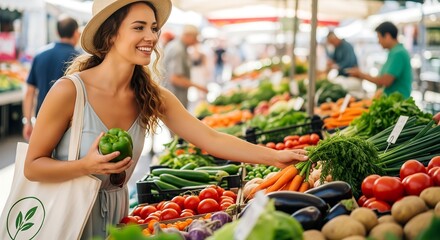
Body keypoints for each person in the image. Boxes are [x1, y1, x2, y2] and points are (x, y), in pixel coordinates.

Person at [23, 0, 308, 239]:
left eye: (154, 28)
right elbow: (33, 167)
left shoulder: (151, 95)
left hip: (118, 220)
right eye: (139, 27)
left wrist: (274, 157)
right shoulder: (69, 91)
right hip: (67, 217)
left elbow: (211, 139)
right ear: (111, 35)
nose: (152, 36)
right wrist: (85, 166)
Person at [22, 15, 81, 141]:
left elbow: (29, 92)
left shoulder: (40, 54)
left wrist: (27, 122)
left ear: (57, 32)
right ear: (76, 33)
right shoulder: (79, 59)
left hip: (41, 120)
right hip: (69, 124)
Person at [346, 21, 413, 99]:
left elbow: (385, 81)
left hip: (397, 102)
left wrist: (361, 74)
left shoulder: (398, 53)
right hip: (391, 100)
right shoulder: (394, 52)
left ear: (387, 36)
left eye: (379, 37)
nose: (378, 41)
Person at [163, 24, 208, 109]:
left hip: (175, 97)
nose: (196, 41)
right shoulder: (178, 50)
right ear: (188, 36)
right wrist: (199, 87)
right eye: (195, 37)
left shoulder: (179, 47)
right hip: (174, 98)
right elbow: (175, 79)